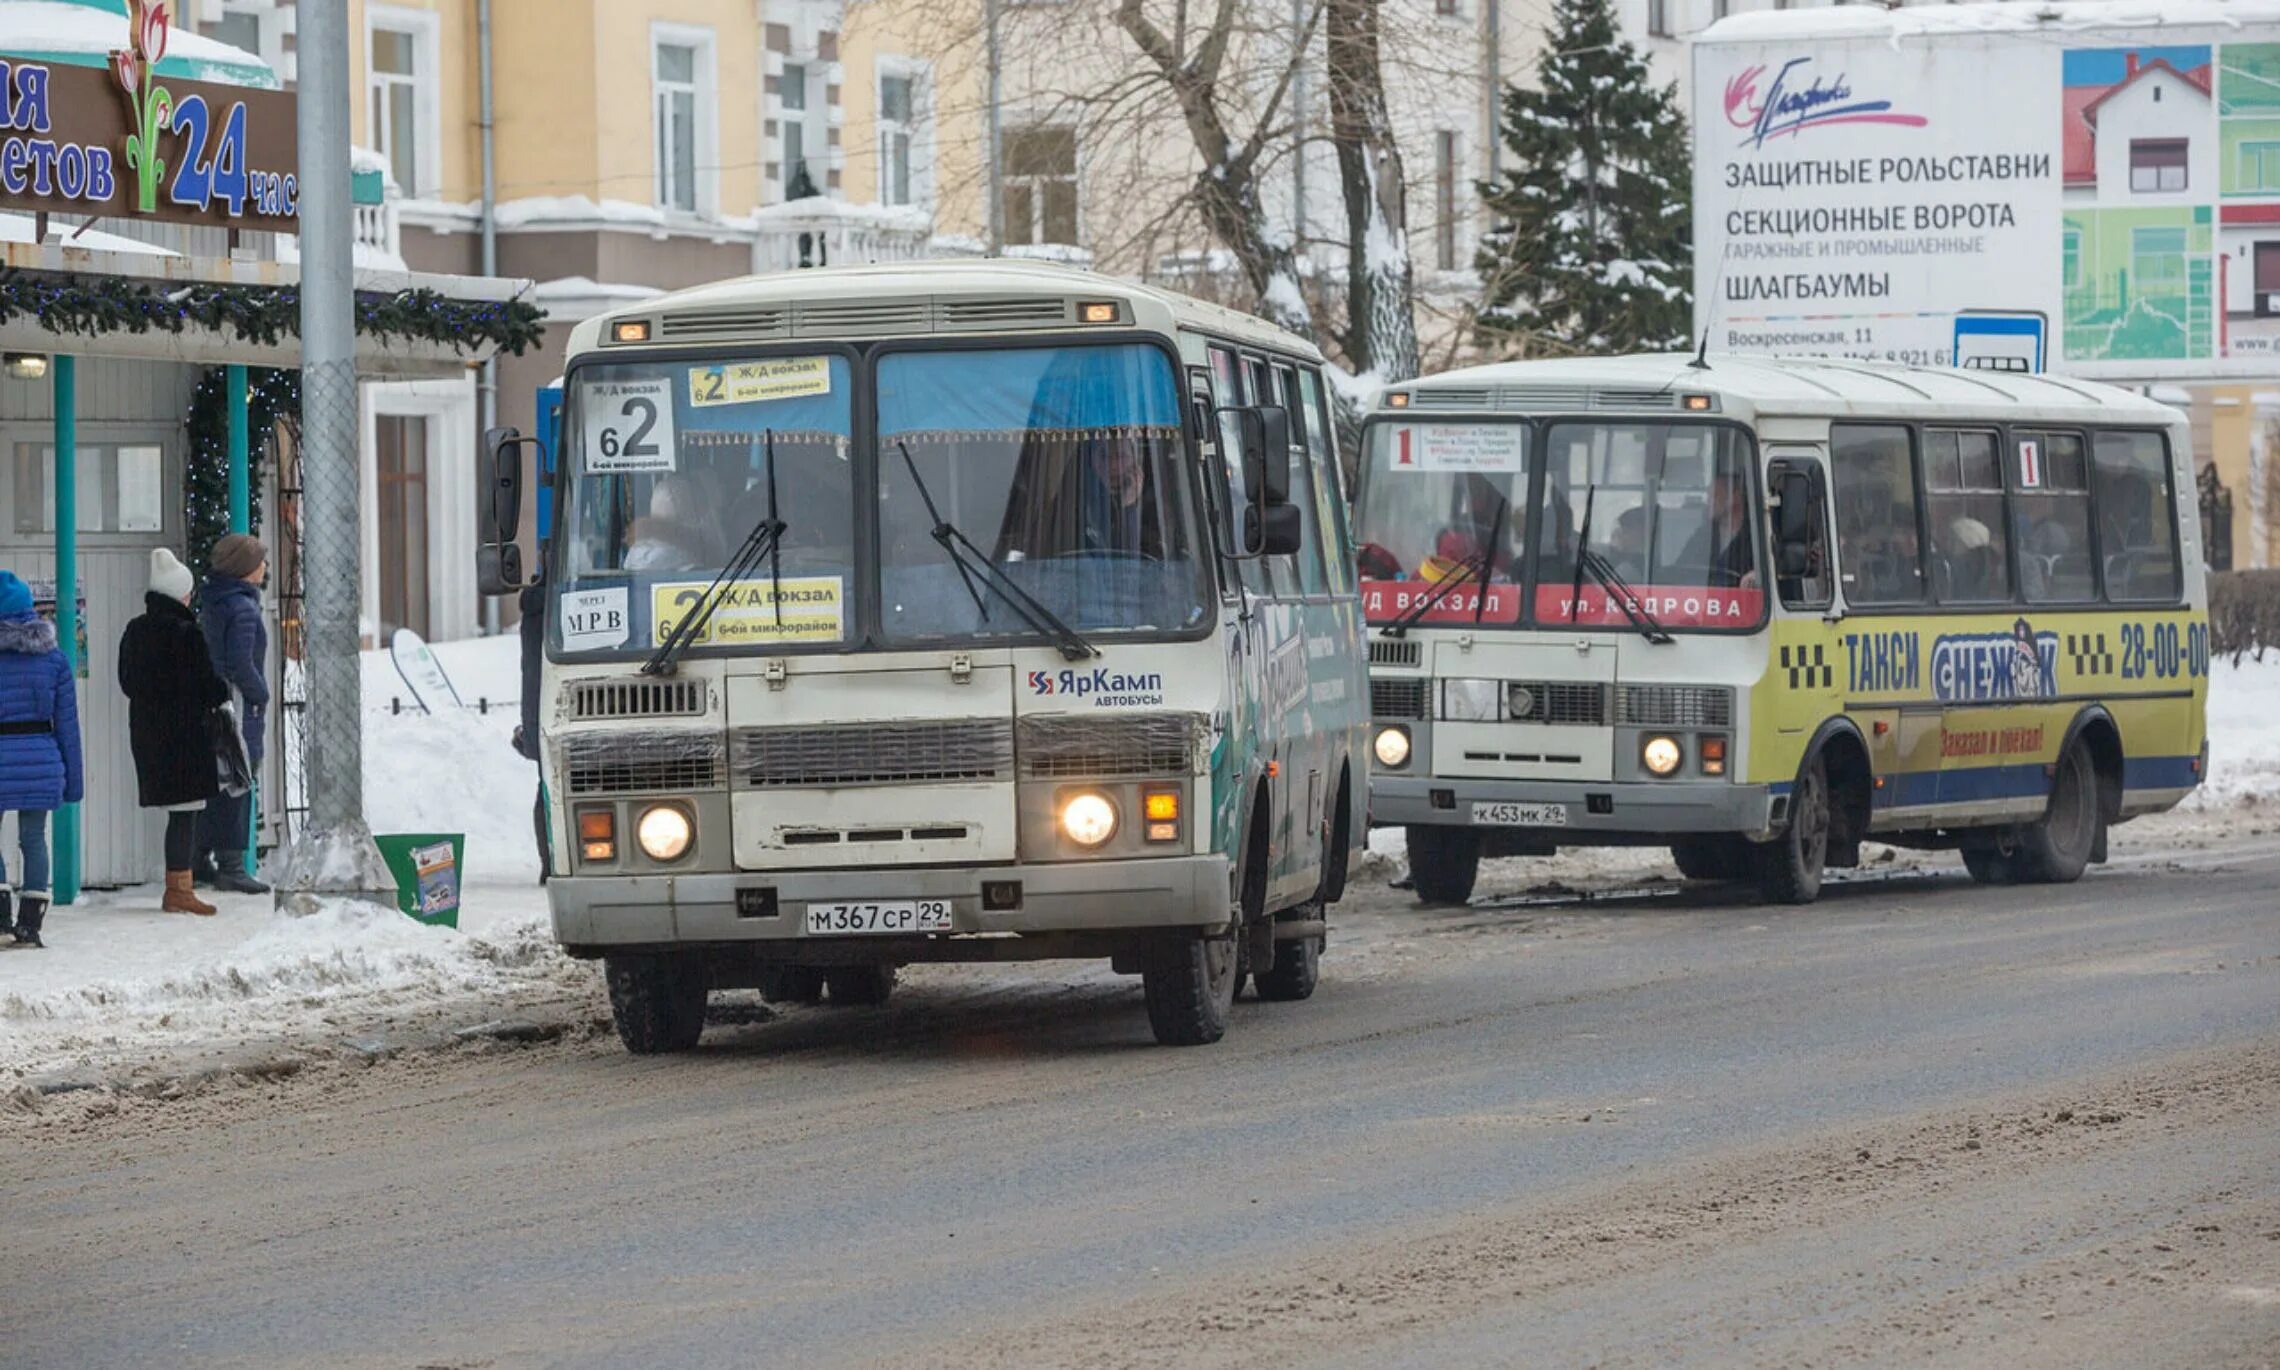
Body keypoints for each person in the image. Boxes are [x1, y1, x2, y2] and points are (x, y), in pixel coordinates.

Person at [119, 548, 230, 916]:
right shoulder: (186, 632)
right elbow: (206, 684)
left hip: (149, 735)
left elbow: (127, 682)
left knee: (178, 810)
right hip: (185, 737)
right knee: (186, 811)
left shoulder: (135, 630)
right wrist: (220, 694)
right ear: (180, 594)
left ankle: (178, 887)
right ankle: (179, 889)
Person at [0, 571, 83, 948]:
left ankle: (0, 919)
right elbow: (67, 725)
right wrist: (74, 781)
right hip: (41, 757)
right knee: (33, 838)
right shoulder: (54, 660)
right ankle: (30, 924)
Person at [197, 534, 270, 895]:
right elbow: (242, 662)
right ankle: (232, 865)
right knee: (240, 777)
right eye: (260, 561)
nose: (265, 567)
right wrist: (261, 693)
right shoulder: (242, 608)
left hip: (217, 701)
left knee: (218, 780)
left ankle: (200, 856)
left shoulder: (215, 601)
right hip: (238, 705)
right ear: (246, 569)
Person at [513, 570, 549, 883]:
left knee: (547, 785)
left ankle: (549, 862)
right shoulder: (553, 601)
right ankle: (551, 861)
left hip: (539, 712)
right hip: (547, 711)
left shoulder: (538, 601)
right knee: (551, 785)